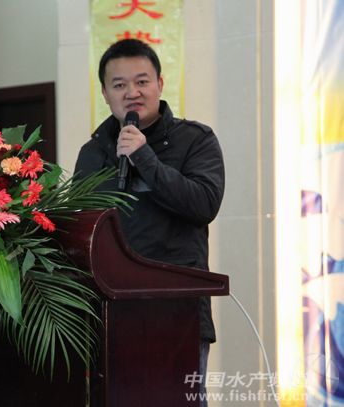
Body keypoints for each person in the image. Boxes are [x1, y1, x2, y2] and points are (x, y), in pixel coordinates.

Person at [74, 38, 225, 405]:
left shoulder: (195, 140)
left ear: (160, 83)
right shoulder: (93, 153)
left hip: (177, 315)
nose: (132, 92)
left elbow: (204, 204)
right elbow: (81, 226)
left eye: (142, 81)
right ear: (105, 94)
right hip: (109, 316)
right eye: (119, 85)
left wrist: (144, 157)